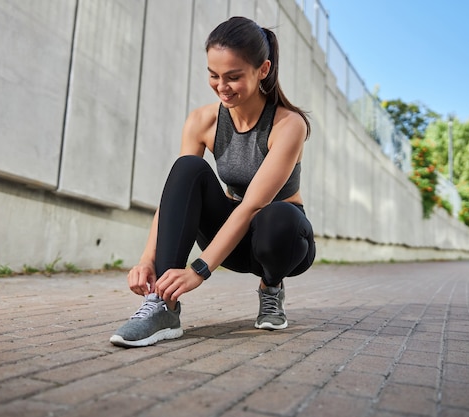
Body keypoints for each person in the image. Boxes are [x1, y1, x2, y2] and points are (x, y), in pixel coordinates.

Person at [110, 16, 316, 348]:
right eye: (213, 75)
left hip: (283, 243)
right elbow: (175, 195)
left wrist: (199, 270)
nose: (222, 86)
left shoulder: (288, 125)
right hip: (231, 239)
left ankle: (271, 288)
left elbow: (253, 205)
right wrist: (147, 259)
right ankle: (162, 304)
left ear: (263, 70)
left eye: (234, 77)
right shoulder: (202, 121)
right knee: (188, 167)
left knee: (276, 217)